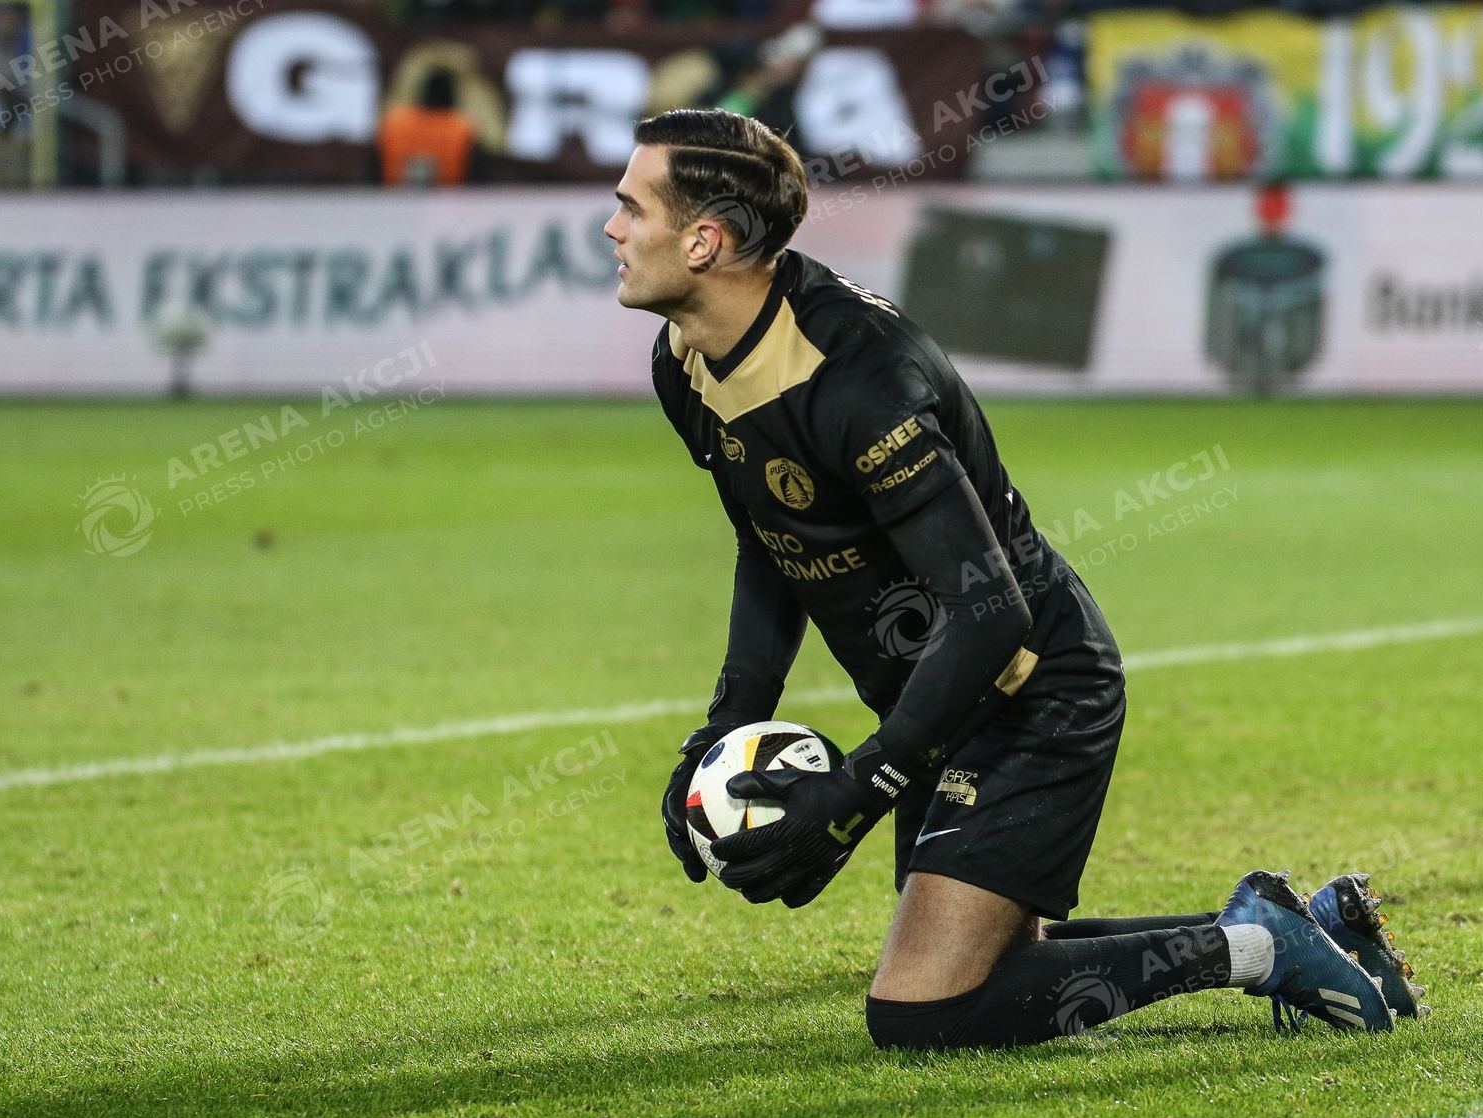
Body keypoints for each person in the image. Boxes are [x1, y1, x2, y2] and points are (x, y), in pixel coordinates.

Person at [609, 109, 1428, 1049]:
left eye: (632, 207)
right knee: (983, 967)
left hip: (1033, 687)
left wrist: (862, 788)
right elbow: (769, 537)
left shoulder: (857, 379)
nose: (613, 228)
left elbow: (990, 611)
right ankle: (1296, 926)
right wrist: (725, 724)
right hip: (937, 696)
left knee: (922, 1011)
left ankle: (1262, 949)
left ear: (704, 241)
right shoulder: (688, 359)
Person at [375, 70, 480, 188]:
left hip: (392, 195)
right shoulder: (461, 127)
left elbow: (376, 161)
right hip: (450, 195)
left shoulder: (394, 122)